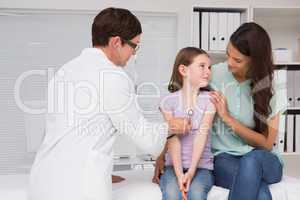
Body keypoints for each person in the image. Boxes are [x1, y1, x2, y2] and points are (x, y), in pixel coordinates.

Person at [28, 7, 189, 200]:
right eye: (134, 46)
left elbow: (67, 132)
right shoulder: (112, 77)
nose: (134, 54)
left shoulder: (66, 70)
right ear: (116, 42)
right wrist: (171, 127)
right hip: (78, 188)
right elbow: (146, 139)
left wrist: (104, 172)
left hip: (44, 180)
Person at [153, 22, 286, 200]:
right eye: (228, 55)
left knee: (251, 161)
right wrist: (162, 155)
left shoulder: (274, 85)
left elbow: (266, 144)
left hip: (263, 160)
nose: (229, 63)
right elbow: (180, 109)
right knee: (259, 191)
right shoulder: (213, 73)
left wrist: (227, 117)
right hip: (224, 158)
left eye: (237, 60)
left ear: (255, 61)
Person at [159, 47, 215, 200]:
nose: (208, 71)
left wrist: (190, 172)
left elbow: (201, 136)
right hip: (173, 167)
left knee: (196, 193)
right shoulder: (168, 102)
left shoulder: (210, 100)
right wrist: (180, 175)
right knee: (172, 193)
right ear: (184, 70)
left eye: (209, 67)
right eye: (202, 66)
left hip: (202, 167)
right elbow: (173, 139)